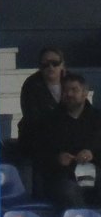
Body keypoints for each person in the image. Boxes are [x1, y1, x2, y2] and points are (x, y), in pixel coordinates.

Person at [31, 71, 101, 209]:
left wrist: (93, 154)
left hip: (95, 172)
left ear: (85, 92)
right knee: (68, 191)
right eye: (65, 90)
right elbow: (39, 154)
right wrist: (57, 158)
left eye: (74, 90)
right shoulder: (49, 121)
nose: (69, 94)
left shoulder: (98, 119)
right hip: (63, 176)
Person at [18, 47, 67, 159]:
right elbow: (32, 116)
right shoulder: (31, 85)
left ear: (62, 65)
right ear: (40, 67)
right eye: (45, 64)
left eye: (55, 63)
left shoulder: (71, 81)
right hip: (39, 140)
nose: (51, 67)